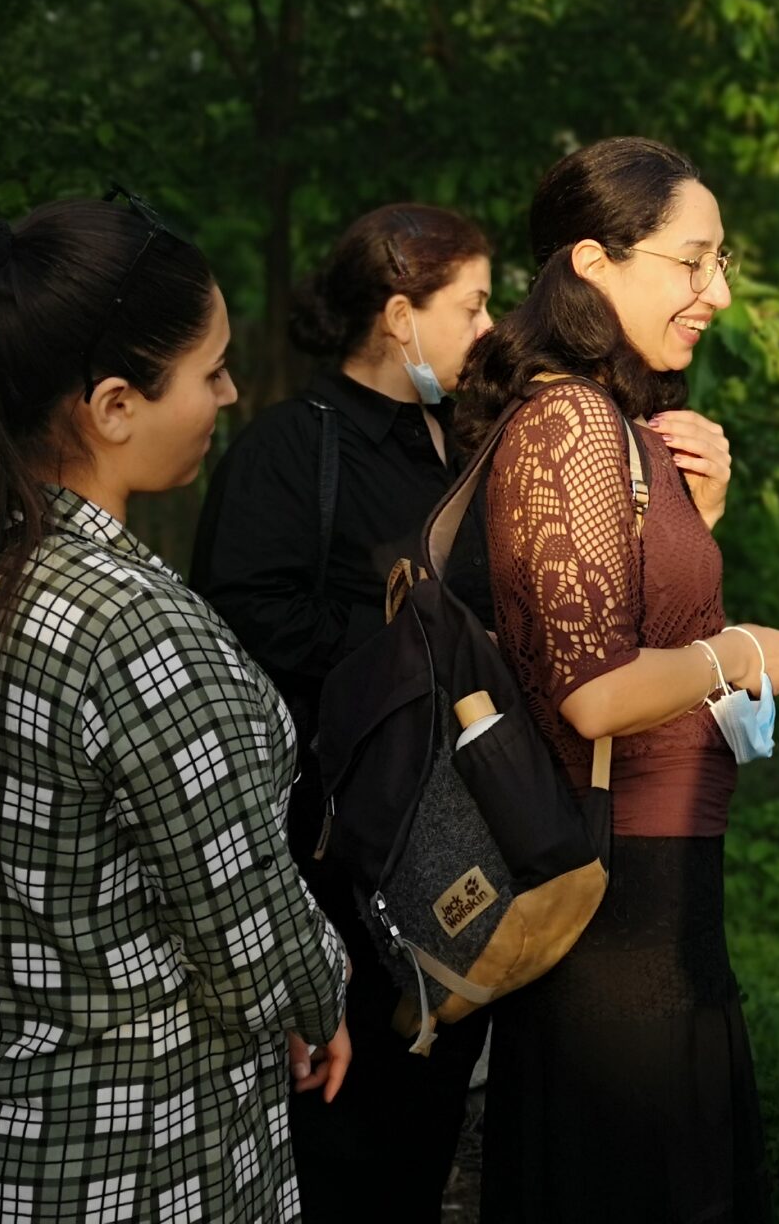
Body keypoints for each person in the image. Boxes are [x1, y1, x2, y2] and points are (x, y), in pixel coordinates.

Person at [0, 196, 350, 1222]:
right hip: (127, 1159)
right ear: (114, 404)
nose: (228, 394)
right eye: (210, 370)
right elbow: (242, 932)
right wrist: (320, 994)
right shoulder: (130, 627)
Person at [457, 136, 779, 1224]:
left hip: (660, 887)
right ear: (592, 262)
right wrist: (736, 651)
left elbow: (624, 628)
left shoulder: (615, 421)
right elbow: (592, 695)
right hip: (615, 900)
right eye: (691, 262)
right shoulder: (566, 421)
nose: (718, 291)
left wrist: (693, 520)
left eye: (721, 262)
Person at [192, 202, 496, 1220]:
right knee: (339, 1130)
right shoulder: (288, 450)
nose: (489, 328)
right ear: (400, 316)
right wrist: (408, 667)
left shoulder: (464, 447)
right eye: (472, 305)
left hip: (455, 840)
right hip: (334, 853)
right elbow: (245, 622)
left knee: (428, 1103)